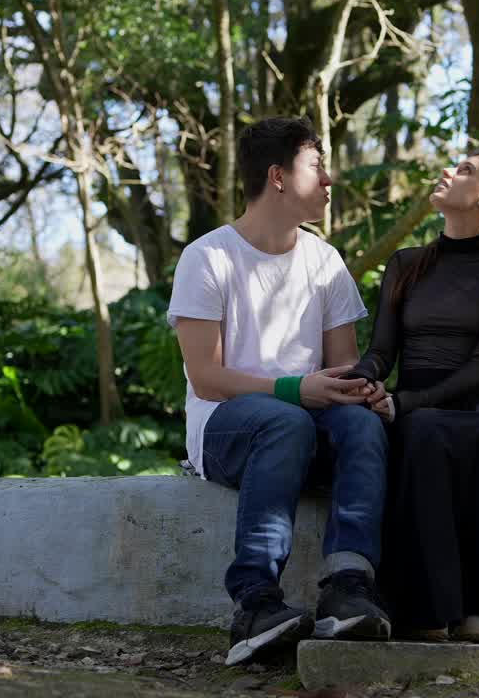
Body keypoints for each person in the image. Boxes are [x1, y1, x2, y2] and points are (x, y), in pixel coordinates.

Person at [167, 117, 392, 666]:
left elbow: (342, 370)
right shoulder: (208, 257)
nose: (330, 178)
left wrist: (367, 392)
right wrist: (295, 389)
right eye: (317, 166)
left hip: (304, 426)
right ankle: (254, 603)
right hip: (227, 430)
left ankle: (347, 589)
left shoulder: (324, 261)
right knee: (283, 420)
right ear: (278, 177)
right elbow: (206, 377)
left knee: (362, 423)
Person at [350, 149, 479, 644]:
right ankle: (429, 613)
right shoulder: (406, 264)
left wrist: (405, 403)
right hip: (414, 407)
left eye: (464, 170)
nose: (447, 172)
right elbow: (381, 351)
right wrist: (362, 380)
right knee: (425, 431)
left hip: (474, 404)